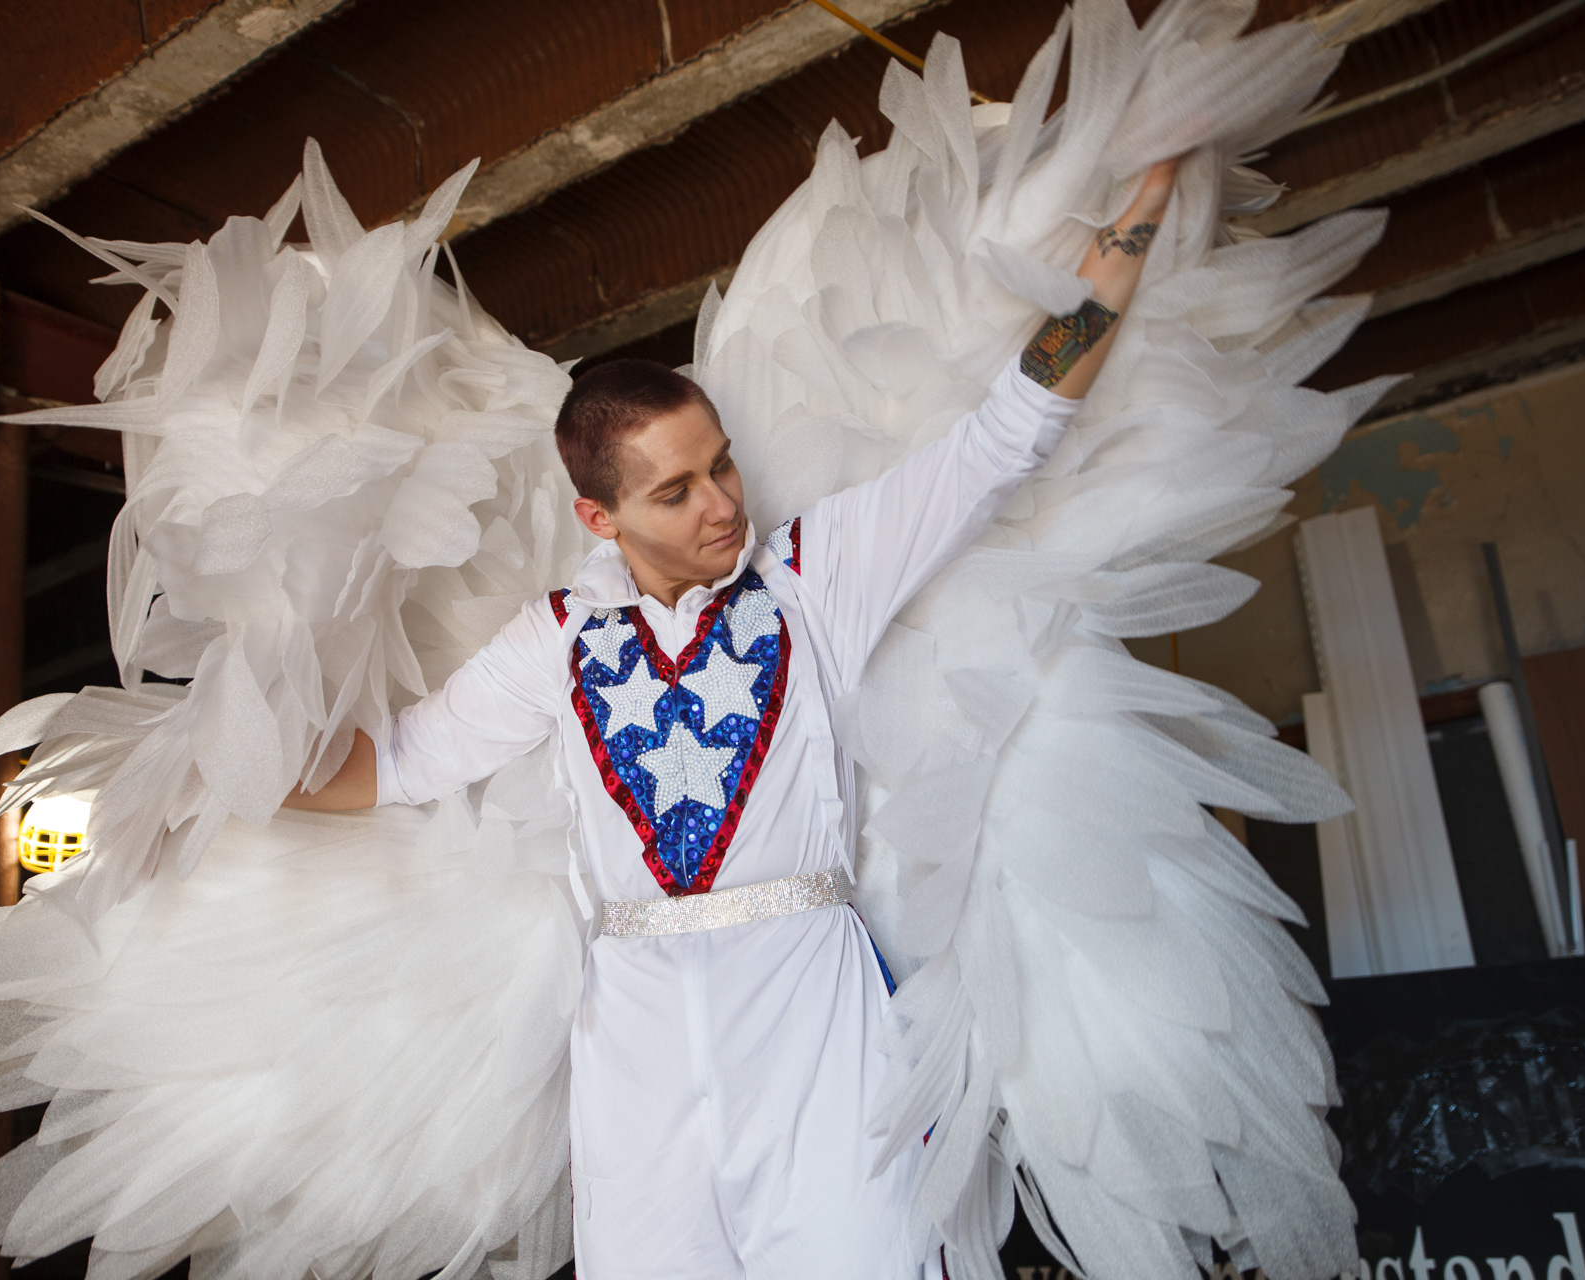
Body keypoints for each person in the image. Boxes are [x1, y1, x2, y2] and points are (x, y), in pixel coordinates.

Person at [282, 162, 1177, 1278]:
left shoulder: (814, 576)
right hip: (635, 1041)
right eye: (676, 491)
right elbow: (403, 760)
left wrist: (1125, 243)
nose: (721, 504)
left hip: (811, 1011)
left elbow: (1002, 440)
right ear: (598, 515)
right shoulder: (557, 637)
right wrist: (215, 780)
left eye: (722, 465)